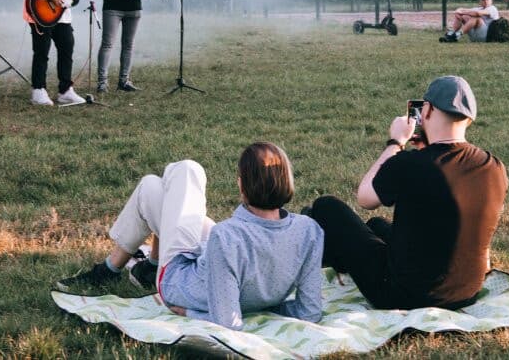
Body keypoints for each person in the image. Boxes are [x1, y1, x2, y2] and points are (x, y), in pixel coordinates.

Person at [56, 142, 324, 331]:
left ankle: (127, 268)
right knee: (152, 187)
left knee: (186, 170)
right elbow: (309, 311)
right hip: (232, 258)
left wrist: (190, 312)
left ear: (242, 184)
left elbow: (227, 322)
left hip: (176, 280)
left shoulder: (226, 236)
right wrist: (267, 308)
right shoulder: (309, 230)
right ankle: (131, 266)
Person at [306, 76, 508, 310]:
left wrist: (395, 143)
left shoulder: (410, 163)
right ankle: (339, 255)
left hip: (401, 295)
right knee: (377, 225)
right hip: (465, 291)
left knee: (326, 206)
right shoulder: (493, 166)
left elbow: (365, 198)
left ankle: (329, 254)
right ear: (468, 119)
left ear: (428, 110)